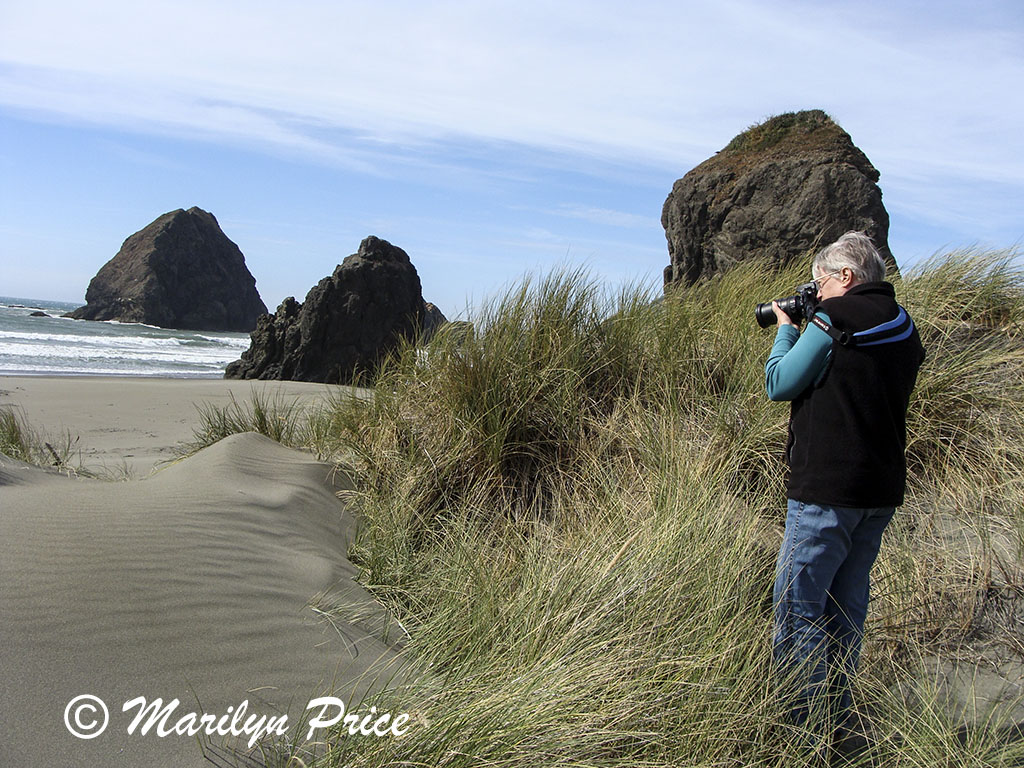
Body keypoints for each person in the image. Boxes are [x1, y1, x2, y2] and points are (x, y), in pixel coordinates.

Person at [764, 231, 925, 734]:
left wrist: (788, 328)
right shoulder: (904, 326)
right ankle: (837, 717)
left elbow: (780, 382)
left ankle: (801, 730)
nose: (816, 291)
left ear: (846, 278)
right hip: (877, 492)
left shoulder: (836, 319)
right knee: (845, 607)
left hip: (826, 491)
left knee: (800, 606)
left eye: (819, 282)